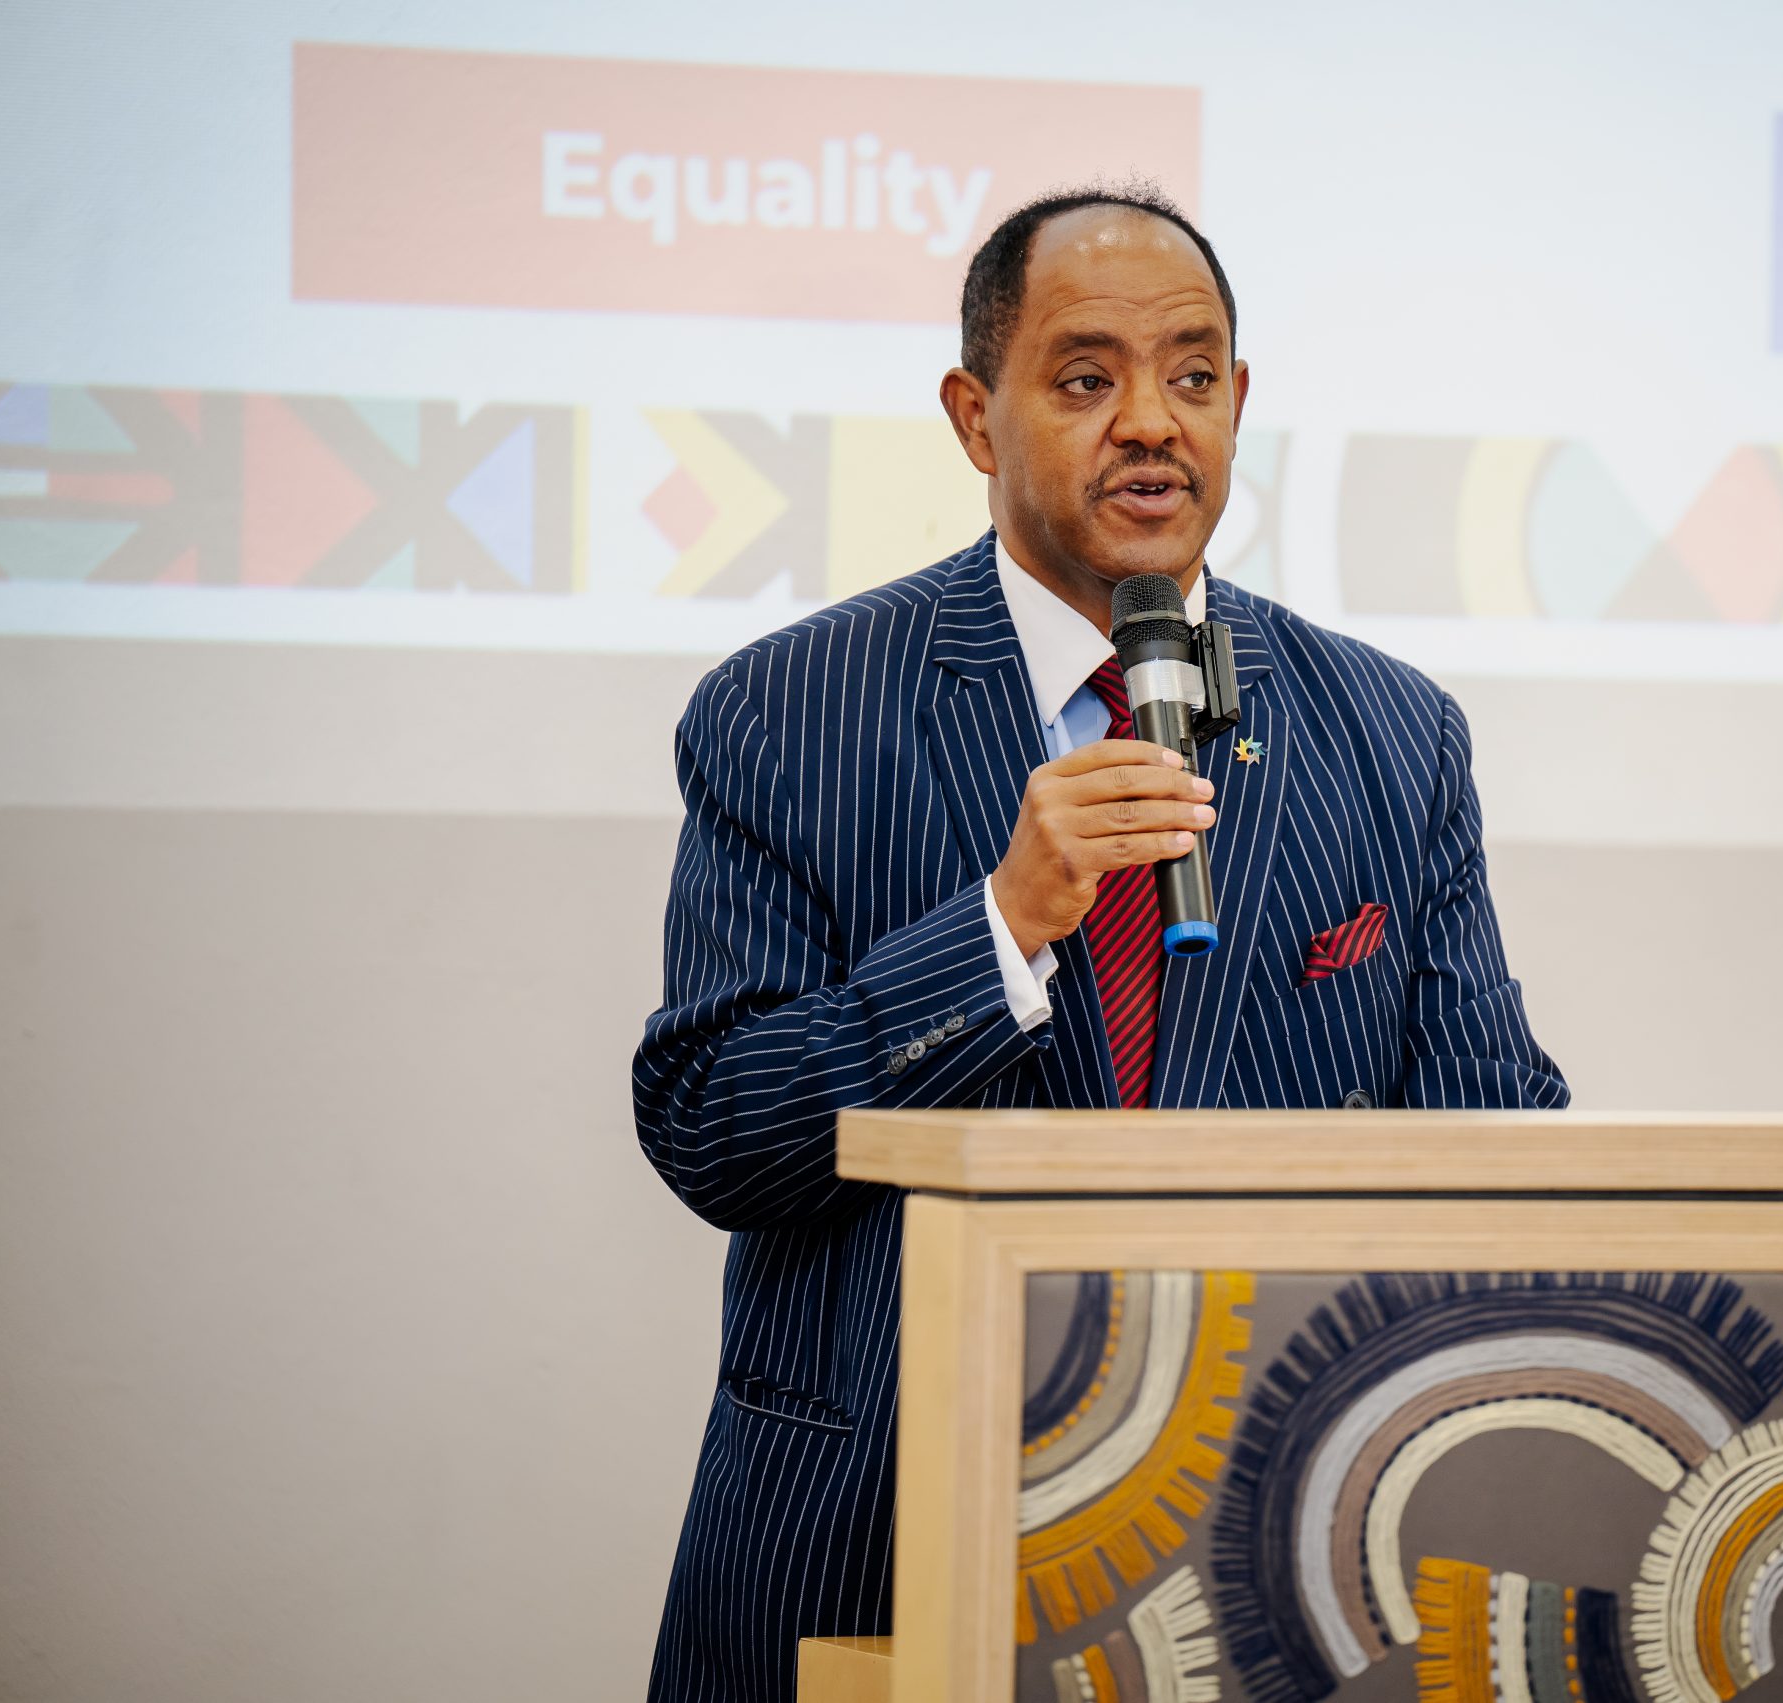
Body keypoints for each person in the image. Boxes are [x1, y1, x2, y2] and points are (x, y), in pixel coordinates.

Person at [631, 185, 1566, 1702]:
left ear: (1239, 403)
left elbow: (1496, 1146)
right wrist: (998, 928)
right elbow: (713, 1130)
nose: (1150, 423)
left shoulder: (1394, 734)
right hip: (877, 1534)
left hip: (1274, 1551)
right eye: (1085, 379)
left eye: (1192, 376)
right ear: (975, 418)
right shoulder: (789, 709)